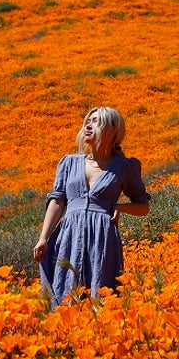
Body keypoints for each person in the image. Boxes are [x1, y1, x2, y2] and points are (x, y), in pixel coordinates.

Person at [33, 107, 151, 304]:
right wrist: (43, 237)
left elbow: (143, 206)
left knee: (102, 294)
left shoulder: (125, 167)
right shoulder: (69, 162)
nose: (88, 125)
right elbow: (57, 201)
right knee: (65, 291)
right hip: (69, 236)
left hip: (102, 238)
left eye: (95, 121)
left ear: (113, 130)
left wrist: (121, 208)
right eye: (87, 121)